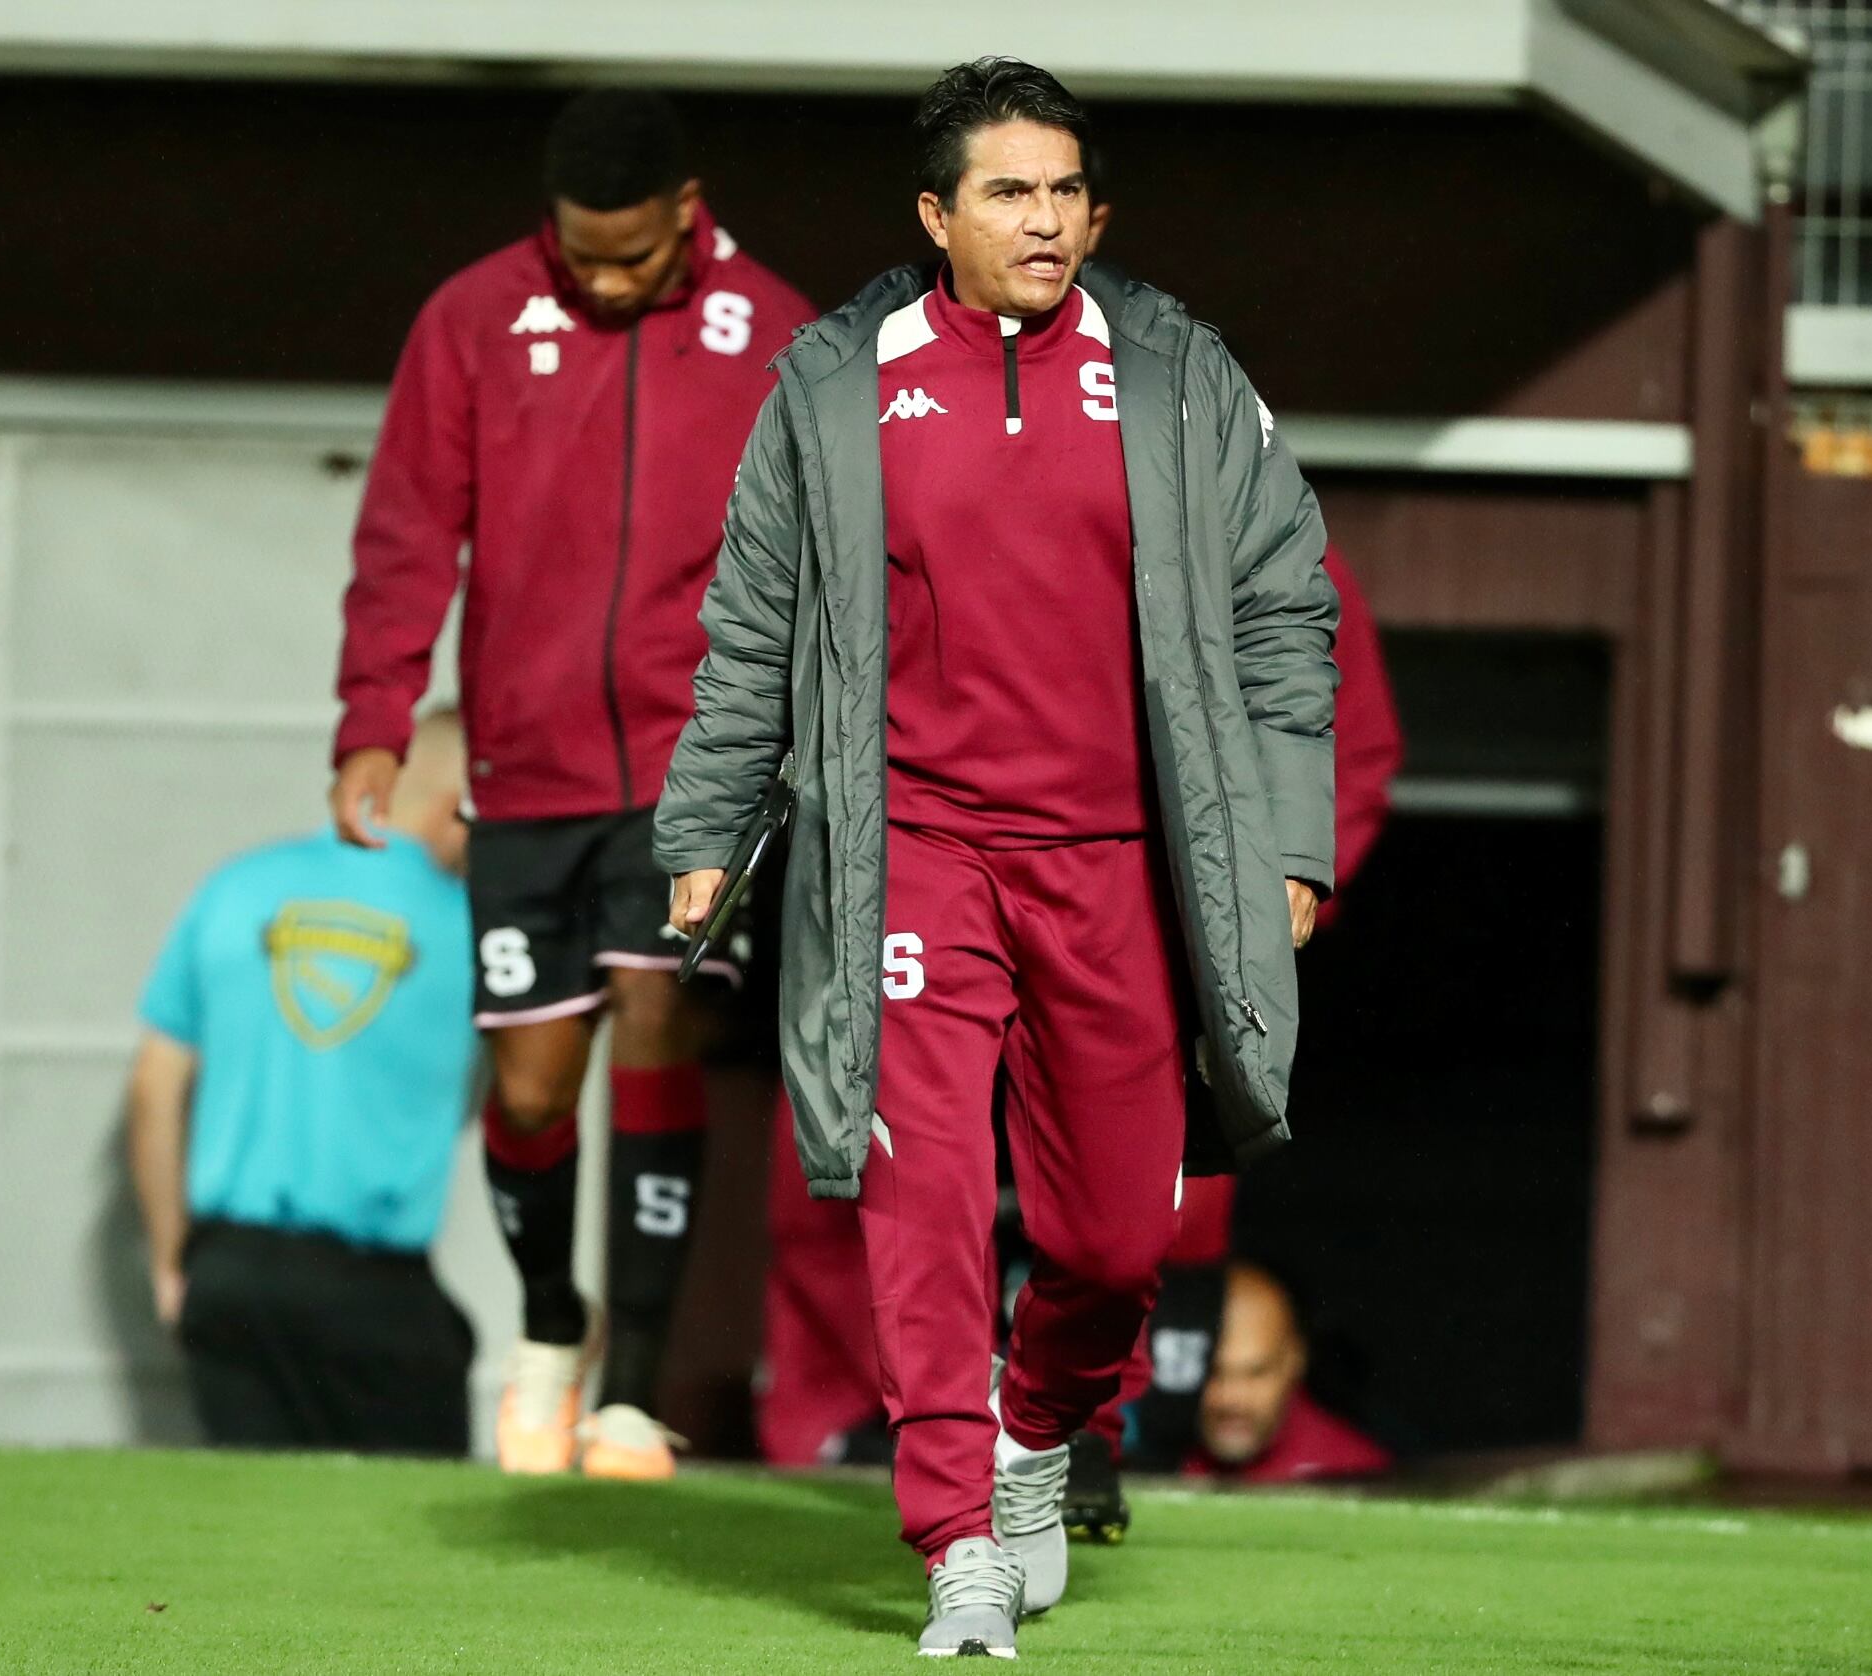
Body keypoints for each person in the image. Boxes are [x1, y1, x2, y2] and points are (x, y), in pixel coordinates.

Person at [657, 57, 1338, 1657]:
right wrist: (708, 828)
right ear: (935, 215)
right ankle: (954, 1534)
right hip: (917, 857)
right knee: (924, 1197)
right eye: (1008, 194)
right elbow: (752, 621)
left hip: (1116, 862)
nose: (1045, 222)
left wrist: (1289, 833)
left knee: (1113, 1238)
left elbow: (1279, 602)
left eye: (1065, 193)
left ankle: (1036, 1432)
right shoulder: (834, 383)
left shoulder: (1174, 373)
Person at [327, 88, 811, 1479]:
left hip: (694, 770)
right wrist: (372, 715)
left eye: (633, 255)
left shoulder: (778, 332)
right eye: (580, 252)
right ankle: (554, 1331)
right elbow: (410, 526)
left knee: (658, 1029)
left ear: (687, 211)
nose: (605, 279)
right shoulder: (472, 318)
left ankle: (635, 1398)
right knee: (534, 1089)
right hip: (525, 771)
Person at [752, 544, 1402, 1506]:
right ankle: (877, 1428)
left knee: (1136, 1209)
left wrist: (1256, 909)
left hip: (1128, 911)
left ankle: (1095, 1430)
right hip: (934, 886)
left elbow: (1339, 733)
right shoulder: (910, 443)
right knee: (876, 1162)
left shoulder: (1221, 488)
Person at [127, 711, 480, 1455]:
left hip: (231, 1276)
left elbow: (154, 1087)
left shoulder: (235, 888)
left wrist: (170, 1260)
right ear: (462, 805)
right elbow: (524, 1101)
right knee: (413, 1552)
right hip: (378, 1297)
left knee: (253, 1542)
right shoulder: (478, 931)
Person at [1185, 1262, 1391, 1485]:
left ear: (1295, 1360)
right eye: (1213, 1372)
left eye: (1257, 1373)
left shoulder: (1356, 1472)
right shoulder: (1155, 1459)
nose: (1232, 1399)